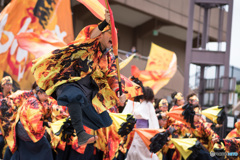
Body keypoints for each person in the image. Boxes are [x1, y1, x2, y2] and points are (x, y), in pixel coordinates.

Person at [32, 9, 129, 146]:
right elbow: (89, 36)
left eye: (115, 37)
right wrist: (104, 23)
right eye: (110, 34)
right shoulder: (89, 44)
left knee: (104, 121)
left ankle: (76, 124)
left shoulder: (109, 59)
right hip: (69, 80)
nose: (113, 39)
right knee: (74, 95)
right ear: (100, 35)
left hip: (88, 91)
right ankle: (81, 133)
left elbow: (113, 77)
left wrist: (120, 92)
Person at [127, 87, 159, 160]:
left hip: (142, 133)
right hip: (144, 133)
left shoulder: (145, 105)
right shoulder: (148, 105)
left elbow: (137, 113)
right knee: (143, 153)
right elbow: (153, 120)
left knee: (137, 152)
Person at [0, 76, 13, 159]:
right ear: (2, 85)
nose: (9, 86)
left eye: (10, 84)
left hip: (10, 124)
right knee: (0, 142)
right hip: (0, 125)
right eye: (7, 84)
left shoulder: (13, 96)